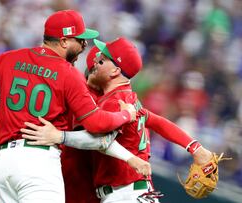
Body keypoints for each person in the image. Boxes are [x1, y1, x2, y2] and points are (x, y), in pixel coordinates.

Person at [0, 10, 137, 203]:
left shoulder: (9, 58)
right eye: (80, 40)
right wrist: (125, 114)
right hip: (39, 163)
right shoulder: (69, 74)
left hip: (3, 163)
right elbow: (95, 123)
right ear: (63, 41)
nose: (84, 45)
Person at [21, 37, 215, 203]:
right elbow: (157, 121)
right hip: (134, 193)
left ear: (115, 71)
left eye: (102, 61)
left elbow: (99, 141)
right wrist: (195, 148)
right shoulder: (129, 99)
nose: (95, 65)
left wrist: (59, 136)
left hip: (126, 193)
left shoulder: (114, 102)